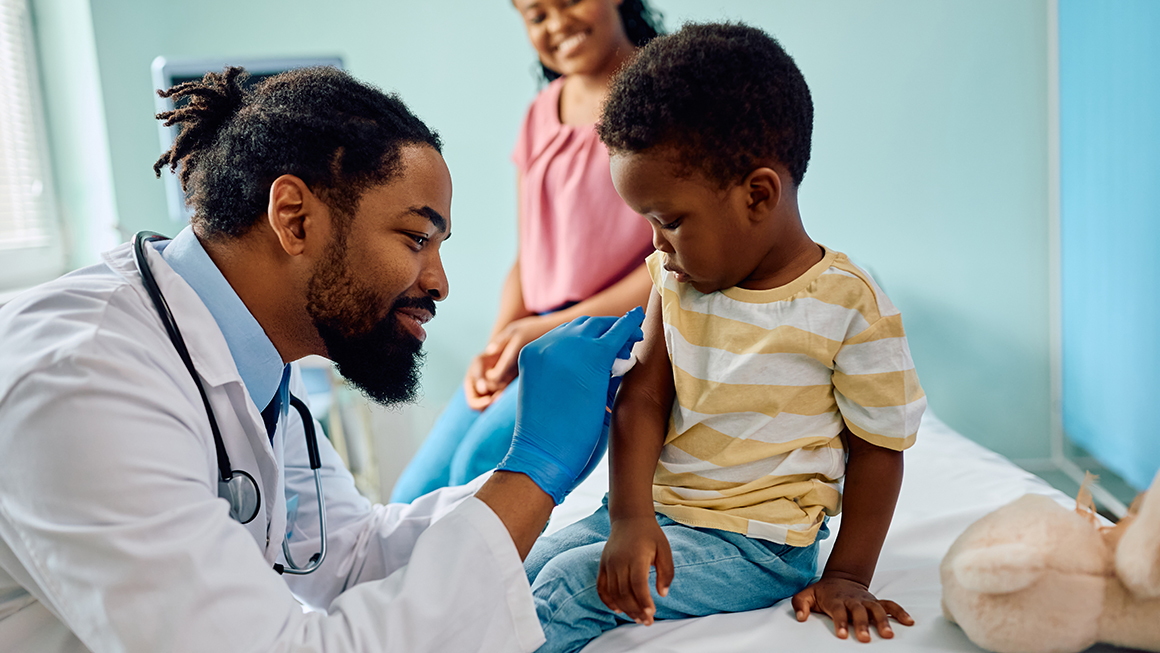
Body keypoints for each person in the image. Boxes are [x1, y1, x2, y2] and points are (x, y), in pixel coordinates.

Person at [0, 65, 644, 653]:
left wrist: (543, 484)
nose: (440, 282)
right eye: (417, 238)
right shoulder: (83, 380)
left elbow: (355, 555)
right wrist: (532, 472)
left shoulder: (249, 361)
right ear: (295, 218)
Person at [522, 23, 926, 653]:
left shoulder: (847, 302)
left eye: (671, 221)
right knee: (521, 566)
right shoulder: (675, 282)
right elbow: (644, 400)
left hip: (756, 545)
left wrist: (846, 574)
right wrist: (631, 517)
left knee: (574, 588)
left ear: (757, 194)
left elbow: (879, 448)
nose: (655, 245)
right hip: (655, 512)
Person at [389, 0, 663, 503]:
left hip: (609, 331)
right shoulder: (542, 112)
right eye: (537, 15)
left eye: (568, 2)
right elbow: (530, 253)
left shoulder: (663, 100)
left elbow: (670, 264)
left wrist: (541, 331)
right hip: (536, 330)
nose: (557, 24)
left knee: (478, 471)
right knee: (413, 492)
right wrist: (498, 346)